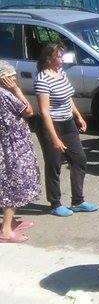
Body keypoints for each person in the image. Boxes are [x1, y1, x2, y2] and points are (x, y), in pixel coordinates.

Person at [35, 43, 98, 217]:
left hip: (67, 123)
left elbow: (67, 97)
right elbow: (44, 112)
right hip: (51, 125)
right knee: (54, 163)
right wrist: (55, 138)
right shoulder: (42, 79)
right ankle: (55, 203)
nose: (62, 59)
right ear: (49, 59)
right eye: (58, 56)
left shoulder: (61, 73)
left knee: (79, 159)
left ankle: (78, 201)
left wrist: (78, 116)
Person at [0, 62, 41, 243]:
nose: (14, 78)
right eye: (11, 76)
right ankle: (5, 231)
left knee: (12, 182)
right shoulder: (5, 94)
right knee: (14, 184)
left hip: (11, 144)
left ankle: (10, 222)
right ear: (3, 79)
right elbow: (29, 111)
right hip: (12, 146)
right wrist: (16, 90)